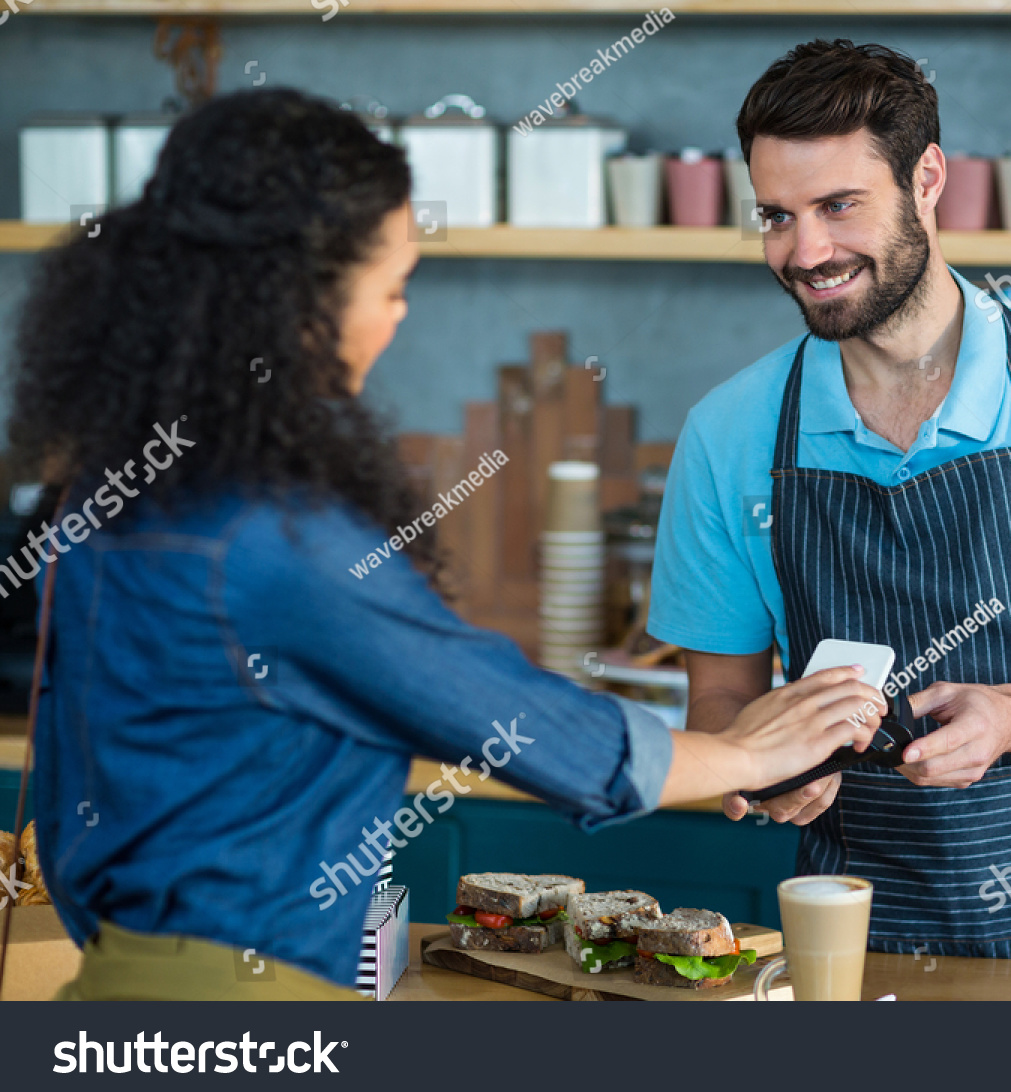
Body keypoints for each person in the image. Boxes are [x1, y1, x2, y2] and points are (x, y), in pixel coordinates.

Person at [5, 89, 885, 999]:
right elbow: (509, 720)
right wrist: (747, 753)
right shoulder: (274, 540)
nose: (397, 317)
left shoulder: (115, 495)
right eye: (390, 286)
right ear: (297, 301)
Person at [646, 41, 1011, 966]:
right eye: (776, 215)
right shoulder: (729, 434)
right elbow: (722, 694)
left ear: (928, 180)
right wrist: (758, 762)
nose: (806, 253)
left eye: (840, 206)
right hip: (848, 936)